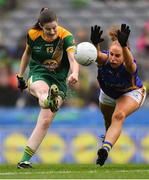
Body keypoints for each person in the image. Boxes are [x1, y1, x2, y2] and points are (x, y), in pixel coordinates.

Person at [16, 7, 79, 168]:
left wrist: (75, 73)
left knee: (45, 121)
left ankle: (24, 160)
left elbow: (73, 59)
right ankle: (48, 97)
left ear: (58, 23)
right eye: (48, 29)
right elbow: (26, 54)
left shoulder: (66, 36)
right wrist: (20, 76)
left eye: (54, 28)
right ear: (41, 27)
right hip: (39, 74)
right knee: (42, 91)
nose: (52, 31)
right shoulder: (33, 34)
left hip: (59, 81)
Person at [90, 24, 146, 166]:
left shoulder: (129, 64)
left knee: (118, 115)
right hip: (108, 93)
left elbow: (129, 63)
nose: (113, 58)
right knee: (108, 122)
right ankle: (107, 141)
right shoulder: (105, 59)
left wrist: (124, 47)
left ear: (125, 53)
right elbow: (97, 56)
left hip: (131, 92)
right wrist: (95, 44)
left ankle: (104, 150)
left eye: (117, 55)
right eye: (112, 54)